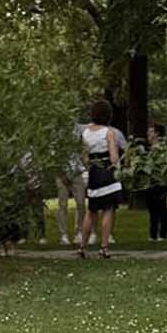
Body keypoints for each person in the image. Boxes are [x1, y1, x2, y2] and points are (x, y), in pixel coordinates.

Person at [78, 97, 124, 258]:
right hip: (107, 172)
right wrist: (119, 168)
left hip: (94, 172)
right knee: (108, 209)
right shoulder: (108, 132)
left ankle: (82, 246)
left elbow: (84, 158)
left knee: (91, 211)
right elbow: (114, 157)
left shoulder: (85, 133)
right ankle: (104, 247)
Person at [55, 116, 87, 246]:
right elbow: (54, 152)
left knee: (81, 203)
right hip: (61, 171)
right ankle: (63, 234)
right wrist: (61, 172)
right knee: (62, 204)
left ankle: (79, 231)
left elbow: (83, 149)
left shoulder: (79, 130)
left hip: (77, 170)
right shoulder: (57, 132)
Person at [143, 122, 167, 242]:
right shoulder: (148, 149)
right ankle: (153, 234)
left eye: (151, 132)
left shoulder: (163, 148)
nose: (148, 134)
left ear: (157, 134)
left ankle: (163, 233)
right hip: (150, 182)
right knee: (152, 208)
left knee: (161, 207)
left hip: (161, 181)